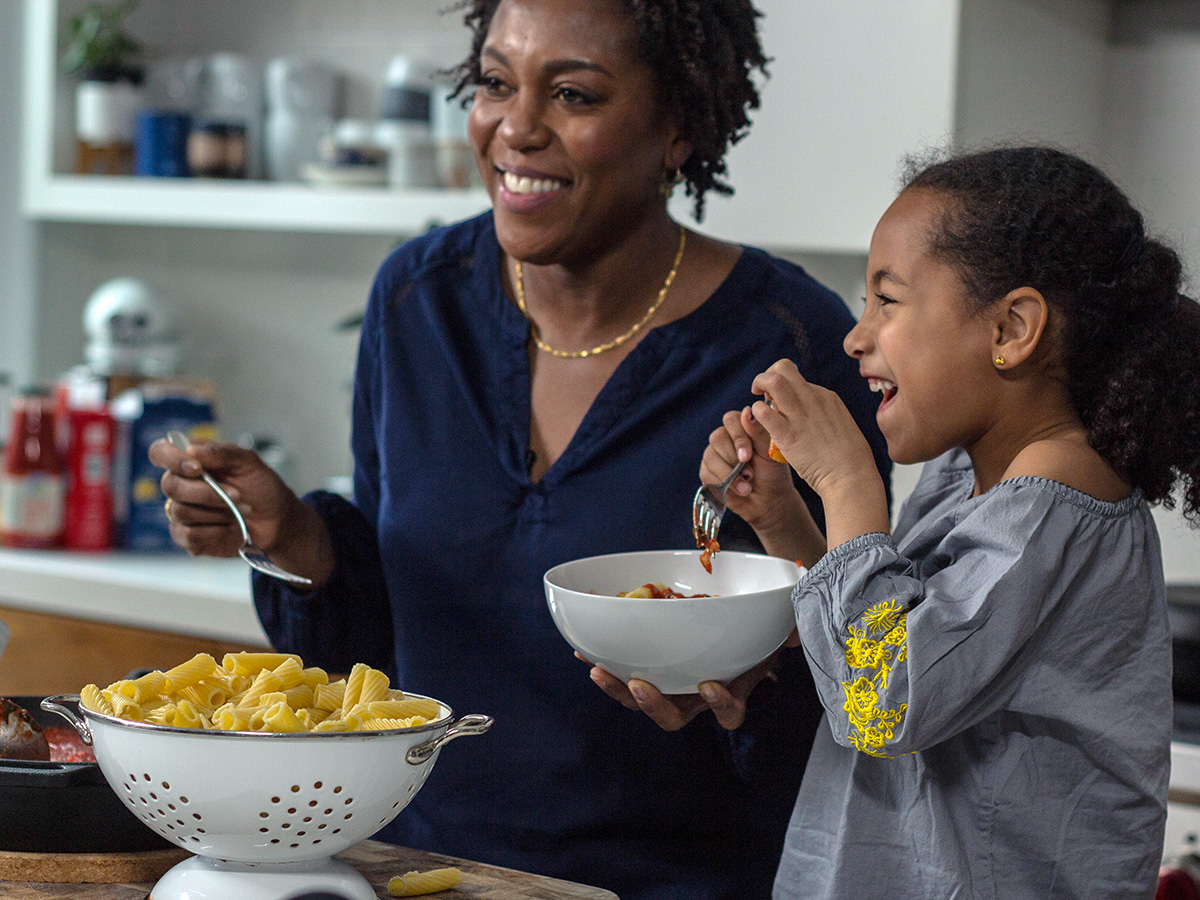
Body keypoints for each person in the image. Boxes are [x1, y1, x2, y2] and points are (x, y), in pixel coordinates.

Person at [149, 1, 891, 898]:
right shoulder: (417, 303)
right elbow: (380, 659)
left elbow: (854, 686)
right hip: (423, 872)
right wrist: (295, 539)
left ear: (678, 129)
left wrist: (750, 689)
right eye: (496, 83)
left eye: (573, 93)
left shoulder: (789, 344)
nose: (517, 128)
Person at [700, 145, 1200, 899]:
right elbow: (882, 638)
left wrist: (846, 484)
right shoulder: (966, 473)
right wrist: (783, 516)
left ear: (1011, 330)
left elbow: (883, 701)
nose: (855, 336)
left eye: (888, 301)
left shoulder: (1055, 499)